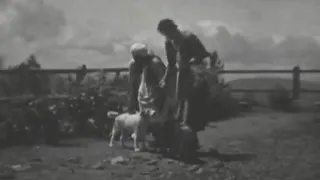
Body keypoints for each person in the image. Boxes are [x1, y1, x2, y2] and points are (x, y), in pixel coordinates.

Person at [157, 18, 211, 127]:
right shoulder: (168, 42)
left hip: (196, 71)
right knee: (180, 96)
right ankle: (180, 122)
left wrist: (194, 63)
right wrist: (165, 79)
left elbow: (204, 54)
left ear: (173, 29)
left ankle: (188, 123)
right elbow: (171, 63)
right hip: (182, 71)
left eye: (167, 33)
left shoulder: (189, 37)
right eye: (164, 34)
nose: (167, 36)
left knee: (191, 98)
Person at [127, 43, 166, 115]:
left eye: (139, 58)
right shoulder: (133, 64)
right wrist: (131, 104)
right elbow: (133, 84)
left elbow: (163, 82)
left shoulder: (155, 63)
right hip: (142, 95)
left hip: (156, 95)